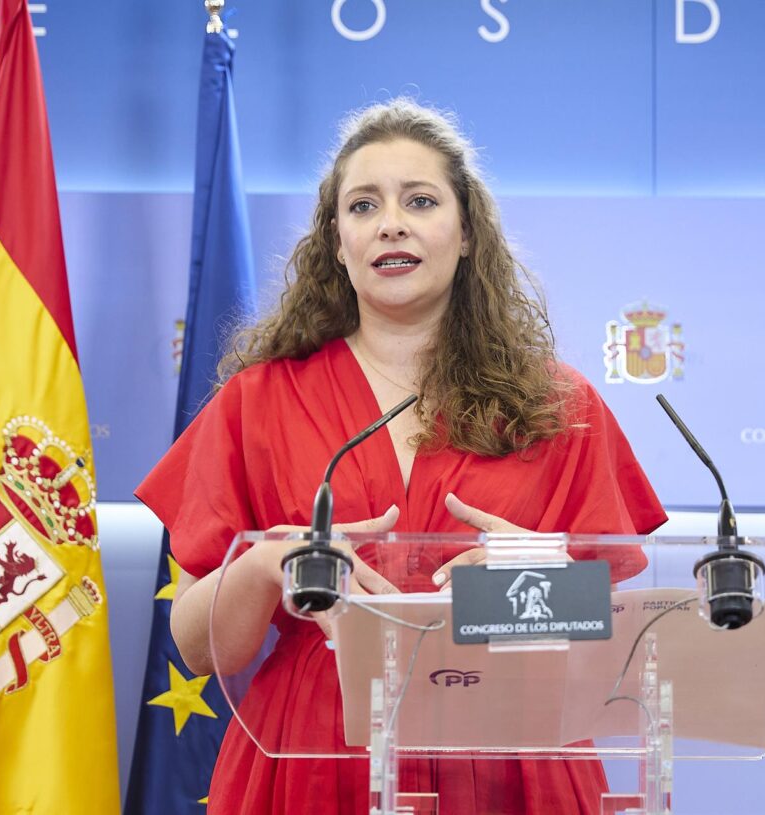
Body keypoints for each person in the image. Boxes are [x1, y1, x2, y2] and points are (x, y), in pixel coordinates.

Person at [137, 98, 667, 815]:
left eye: (420, 200)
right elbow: (200, 651)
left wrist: (538, 576)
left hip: (513, 753)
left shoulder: (557, 406)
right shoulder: (257, 400)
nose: (391, 222)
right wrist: (265, 562)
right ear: (337, 240)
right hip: (312, 758)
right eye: (364, 205)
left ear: (469, 231)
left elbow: (624, 630)